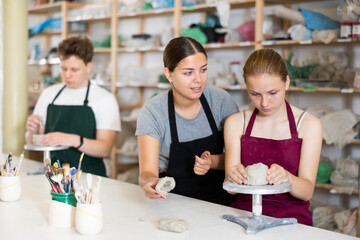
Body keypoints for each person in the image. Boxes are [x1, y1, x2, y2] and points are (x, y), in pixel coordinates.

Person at [224, 48, 322, 225]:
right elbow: (231, 190)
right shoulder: (236, 123)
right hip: (245, 215)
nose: (264, 103)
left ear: (286, 82)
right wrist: (233, 176)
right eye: (255, 94)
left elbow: (307, 191)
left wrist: (287, 177)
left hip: (291, 218)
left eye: (272, 93)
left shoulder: (309, 125)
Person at [136, 36, 239, 205]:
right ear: (169, 73)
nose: (198, 79)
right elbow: (146, 172)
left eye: (203, 70)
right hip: (172, 202)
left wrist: (212, 162)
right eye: (188, 73)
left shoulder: (221, 101)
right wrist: (151, 183)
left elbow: (239, 158)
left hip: (219, 202)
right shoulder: (153, 112)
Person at [25, 36, 121, 177]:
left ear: (88, 67)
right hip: (54, 177)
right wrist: (32, 131)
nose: (67, 75)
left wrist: (71, 139)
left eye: (74, 69)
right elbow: (31, 141)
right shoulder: (49, 94)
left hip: (90, 178)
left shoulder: (104, 99)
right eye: (63, 69)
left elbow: (105, 149)